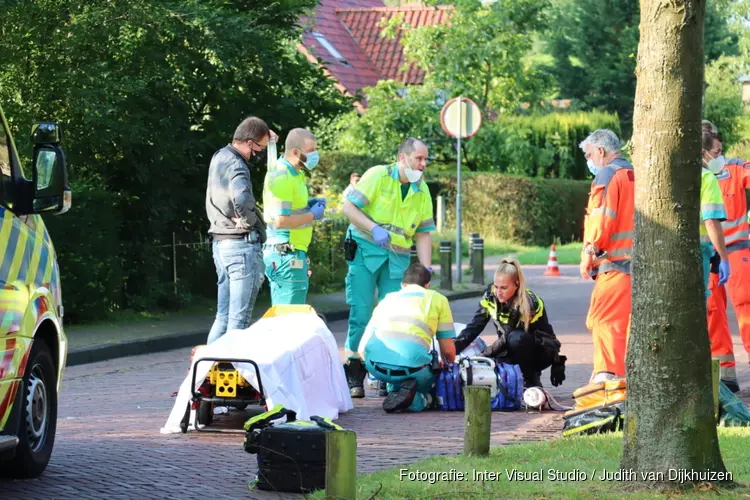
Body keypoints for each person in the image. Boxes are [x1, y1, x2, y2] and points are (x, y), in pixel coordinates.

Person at [341, 137, 436, 398]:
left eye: (426, 159)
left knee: (394, 318)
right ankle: (355, 371)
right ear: (403, 158)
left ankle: (386, 372)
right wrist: (373, 228)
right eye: (419, 158)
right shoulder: (377, 176)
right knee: (361, 312)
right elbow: (348, 207)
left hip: (397, 259)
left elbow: (424, 233)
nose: (423, 164)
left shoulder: (422, 190)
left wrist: (425, 269)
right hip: (365, 251)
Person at [205, 116, 277, 344]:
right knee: (239, 320)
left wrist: (271, 140)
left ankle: (205, 369)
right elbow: (242, 197)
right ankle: (231, 372)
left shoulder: (219, 156)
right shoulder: (237, 165)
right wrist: (248, 220)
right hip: (240, 245)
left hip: (221, 242)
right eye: (261, 147)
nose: (260, 153)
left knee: (223, 317)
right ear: (249, 142)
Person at [453, 258, 566, 389]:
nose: (499, 292)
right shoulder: (491, 297)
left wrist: (481, 356)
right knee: (495, 363)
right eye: (496, 287)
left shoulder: (528, 303)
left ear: (516, 284)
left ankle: (531, 378)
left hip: (540, 351)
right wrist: (451, 352)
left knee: (515, 339)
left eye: (504, 288)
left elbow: (508, 337)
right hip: (511, 346)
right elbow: (473, 328)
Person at [361, 263, 456, 413]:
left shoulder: (387, 299)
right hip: (412, 368)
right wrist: (449, 367)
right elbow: (448, 350)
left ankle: (395, 389)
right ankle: (419, 400)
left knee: (397, 373)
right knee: (429, 382)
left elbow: (362, 348)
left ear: (402, 285)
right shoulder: (438, 299)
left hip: (375, 365)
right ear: (427, 285)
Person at [578, 129, 634, 381]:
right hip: (636, 264)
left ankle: (609, 377)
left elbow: (602, 217)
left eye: (589, 154)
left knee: (603, 319)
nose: (589, 160)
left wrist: (590, 250)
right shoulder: (634, 173)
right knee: (624, 324)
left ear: (600, 151)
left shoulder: (607, 174)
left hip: (615, 263)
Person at [702, 124, 746, 391]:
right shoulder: (701, 177)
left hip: (733, 250)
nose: (718, 155)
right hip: (712, 253)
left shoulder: (735, 169)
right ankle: (725, 374)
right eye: (714, 151)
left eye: (720, 150)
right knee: (712, 311)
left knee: (741, 308)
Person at [261, 128, 326, 305]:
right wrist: (312, 214)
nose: (315, 154)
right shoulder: (283, 175)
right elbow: (281, 221)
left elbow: (290, 209)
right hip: (286, 253)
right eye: (311, 150)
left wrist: (308, 205)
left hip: (291, 252)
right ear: (296, 152)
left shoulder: (295, 173)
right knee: (288, 318)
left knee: (290, 317)